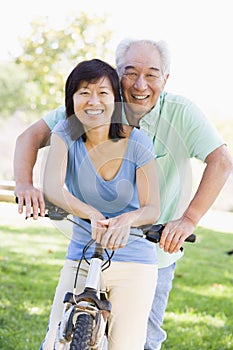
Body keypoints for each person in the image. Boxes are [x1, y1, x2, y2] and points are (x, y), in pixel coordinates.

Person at [14, 39, 233, 349]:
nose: (140, 84)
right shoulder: (87, 109)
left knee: (142, 340)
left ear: (165, 79)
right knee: (58, 335)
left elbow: (222, 161)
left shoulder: (178, 114)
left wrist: (188, 220)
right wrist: (25, 185)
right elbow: (31, 137)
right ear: (117, 77)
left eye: (152, 74)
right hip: (86, 243)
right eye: (130, 73)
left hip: (152, 248)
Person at [41, 58, 160, 350]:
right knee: (56, 342)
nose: (93, 101)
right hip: (82, 251)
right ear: (71, 99)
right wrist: (91, 213)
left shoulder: (139, 141)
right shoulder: (64, 134)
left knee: (126, 345)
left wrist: (125, 220)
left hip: (134, 259)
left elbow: (152, 208)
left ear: (116, 99)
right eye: (83, 92)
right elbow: (53, 188)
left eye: (103, 92)